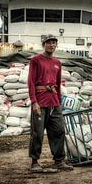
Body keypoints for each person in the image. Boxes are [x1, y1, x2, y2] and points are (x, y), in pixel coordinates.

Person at [28, 34, 73, 172]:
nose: (51, 45)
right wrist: (34, 102)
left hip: (54, 103)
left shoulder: (57, 63)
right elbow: (30, 82)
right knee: (38, 133)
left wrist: (59, 101)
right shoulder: (36, 60)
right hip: (40, 102)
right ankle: (35, 162)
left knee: (59, 131)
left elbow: (58, 84)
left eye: (54, 43)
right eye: (49, 43)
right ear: (44, 44)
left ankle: (59, 161)